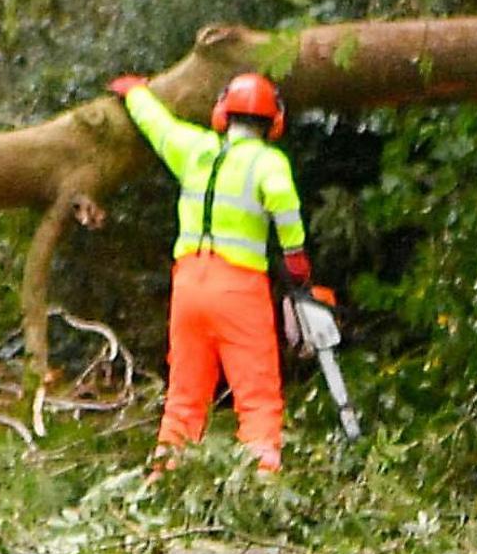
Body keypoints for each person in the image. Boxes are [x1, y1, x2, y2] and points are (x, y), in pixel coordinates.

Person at [108, 70, 320, 473]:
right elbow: (284, 204)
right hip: (240, 289)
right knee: (257, 398)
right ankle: (261, 485)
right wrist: (296, 261)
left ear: (223, 113)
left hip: (188, 284)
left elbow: (158, 125)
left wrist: (135, 93)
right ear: (275, 122)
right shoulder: (268, 162)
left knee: (184, 398)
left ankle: (163, 481)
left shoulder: (194, 149)